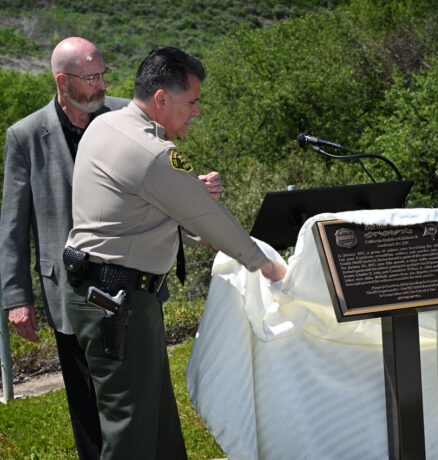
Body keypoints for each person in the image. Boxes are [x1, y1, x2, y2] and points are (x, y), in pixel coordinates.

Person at [63, 46, 287, 459]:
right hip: (120, 303)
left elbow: (140, 212)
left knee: (158, 424)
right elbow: (208, 217)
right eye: (193, 101)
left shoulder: (104, 126)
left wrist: (187, 198)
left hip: (101, 294)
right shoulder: (154, 154)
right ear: (162, 99)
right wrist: (269, 267)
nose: (197, 111)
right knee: (130, 431)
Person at [0, 37, 129, 459]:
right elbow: (14, 225)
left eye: (102, 74)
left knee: (138, 392)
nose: (100, 86)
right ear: (62, 80)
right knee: (86, 400)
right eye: (90, 78)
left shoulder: (127, 115)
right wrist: (18, 297)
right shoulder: (24, 136)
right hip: (67, 292)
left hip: (131, 279)